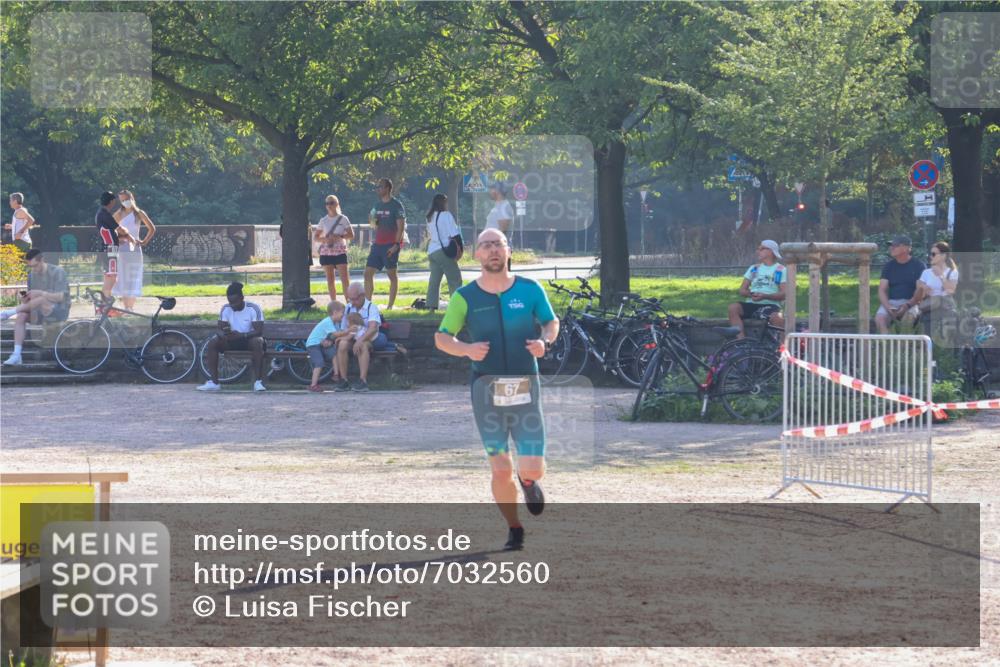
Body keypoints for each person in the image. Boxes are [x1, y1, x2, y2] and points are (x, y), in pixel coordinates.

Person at [434, 229, 559, 551]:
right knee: (500, 465)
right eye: (485, 245)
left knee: (532, 465)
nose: (492, 250)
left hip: (525, 385)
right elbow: (443, 337)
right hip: (485, 388)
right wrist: (466, 349)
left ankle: (529, 481)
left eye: (498, 244)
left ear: (508, 251)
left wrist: (544, 342)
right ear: (476, 254)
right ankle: (514, 528)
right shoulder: (465, 297)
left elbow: (550, 321)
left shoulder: (530, 290)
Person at [1, 250, 70, 366]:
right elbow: (33, 301)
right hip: (40, 311)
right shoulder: (31, 275)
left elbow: (61, 297)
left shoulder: (58, 272)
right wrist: (25, 299)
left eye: (35, 266)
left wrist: (40, 293)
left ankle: (8, 313)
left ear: (42, 260)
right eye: (30, 266)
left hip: (59, 311)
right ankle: (16, 355)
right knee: (21, 315)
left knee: (42, 299)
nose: (33, 269)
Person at [197, 282, 267, 392]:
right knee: (213, 343)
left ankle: (258, 382)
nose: (232, 305)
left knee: (258, 342)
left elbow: (259, 331)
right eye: (230, 302)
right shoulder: (226, 308)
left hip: (248, 341)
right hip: (232, 340)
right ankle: (214, 383)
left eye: (235, 302)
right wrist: (224, 335)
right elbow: (219, 329)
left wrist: (243, 335)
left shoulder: (253, 308)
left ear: (242, 298)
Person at [336, 282, 393, 393]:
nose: (352, 302)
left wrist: (360, 340)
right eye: (350, 299)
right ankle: (344, 380)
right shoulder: (348, 308)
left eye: (354, 299)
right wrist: (344, 337)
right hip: (354, 337)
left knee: (362, 345)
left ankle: (363, 381)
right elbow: (344, 329)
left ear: (362, 295)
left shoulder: (371, 307)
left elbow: (373, 329)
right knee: (342, 344)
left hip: (371, 338)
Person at [727, 240, 786, 338]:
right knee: (733, 308)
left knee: (778, 318)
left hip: (770, 305)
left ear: (771, 251)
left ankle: (782, 348)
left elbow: (784, 293)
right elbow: (742, 290)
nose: (758, 251)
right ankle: (742, 342)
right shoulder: (754, 268)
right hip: (752, 303)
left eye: (761, 249)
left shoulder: (781, 270)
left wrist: (764, 296)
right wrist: (751, 294)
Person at [364, 178, 405, 310]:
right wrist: (371, 220)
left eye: (380, 186)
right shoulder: (377, 205)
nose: (378, 189)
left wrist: (396, 245)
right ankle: (368, 305)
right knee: (367, 273)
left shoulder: (396, 205)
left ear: (387, 188)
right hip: (377, 245)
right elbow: (373, 226)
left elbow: (401, 228)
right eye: (377, 186)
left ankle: (390, 306)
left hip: (390, 245)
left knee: (391, 275)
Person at [112, 189, 156, 310]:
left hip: (135, 249)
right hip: (121, 250)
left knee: (133, 277)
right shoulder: (118, 214)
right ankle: (126, 307)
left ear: (132, 198)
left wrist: (144, 241)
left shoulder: (139, 213)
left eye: (127, 199)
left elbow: (152, 228)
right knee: (123, 277)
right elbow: (109, 229)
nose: (125, 202)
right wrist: (117, 239)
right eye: (122, 200)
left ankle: (130, 308)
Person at [875, 235, 925, 334]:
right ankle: (888, 346)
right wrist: (888, 307)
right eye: (891, 245)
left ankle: (902, 347)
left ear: (907, 248)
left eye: (895, 245)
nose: (891, 248)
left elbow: (920, 291)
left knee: (908, 320)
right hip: (892, 303)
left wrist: (907, 305)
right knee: (880, 319)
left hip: (912, 303)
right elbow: (882, 290)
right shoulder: (888, 266)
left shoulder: (919, 265)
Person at [96, 191, 136, 301]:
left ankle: (104, 303)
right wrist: (129, 237)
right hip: (110, 250)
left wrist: (119, 240)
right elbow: (120, 229)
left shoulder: (101, 213)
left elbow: (108, 233)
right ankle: (104, 303)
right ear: (112, 201)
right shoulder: (105, 214)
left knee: (110, 277)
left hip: (108, 249)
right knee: (112, 277)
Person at [425, 193, 463, 311]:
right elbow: (455, 234)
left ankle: (431, 307)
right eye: (446, 202)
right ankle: (456, 307)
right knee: (455, 279)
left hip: (432, 251)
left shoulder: (429, 216)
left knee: (434, 281)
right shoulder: (446, 215)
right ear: (443, 203)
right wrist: (461, 249)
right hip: (443, 251)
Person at [314, 195, 353, 302]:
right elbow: (316, 237)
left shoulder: (343, 219)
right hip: (326, 252)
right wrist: (326, 240)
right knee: (330, 280)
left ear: (337, 204)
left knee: (345, 279)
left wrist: (339, 237)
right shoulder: (323, 220)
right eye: (327, 203)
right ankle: (334, 304)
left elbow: (351, 235)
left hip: (340, 251)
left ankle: (349, 303)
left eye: (331, 203)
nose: (329, 205)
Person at [304, 300, 350, 393]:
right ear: (335, 312)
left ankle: (336, 374)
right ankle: (313, 385)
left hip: (321, 344)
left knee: (333, 352)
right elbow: (336, 334)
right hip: (313, 345)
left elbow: (332, 337)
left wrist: (330, 342)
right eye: (342, 313)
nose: (343, 316)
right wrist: (349, 331)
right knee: (319, 363)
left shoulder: (335, 323)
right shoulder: (328, 322)